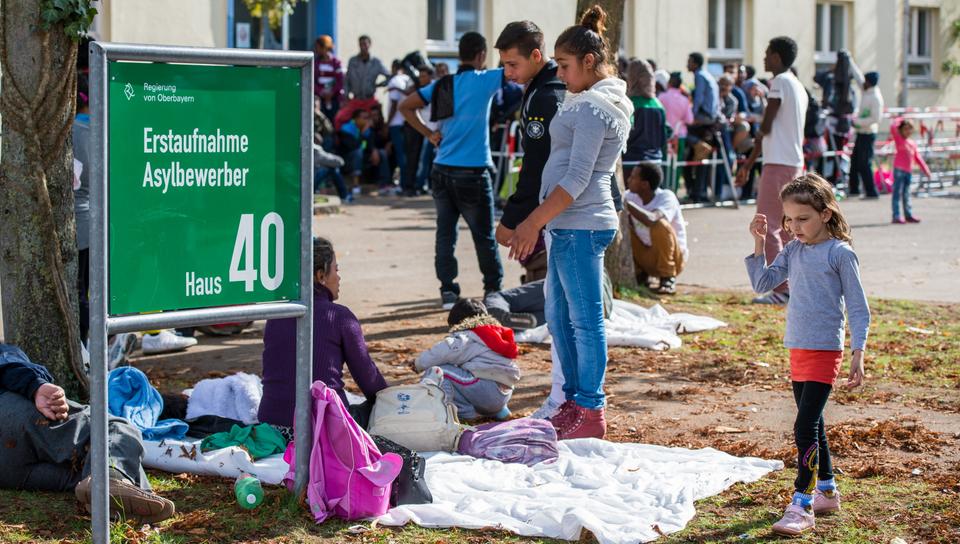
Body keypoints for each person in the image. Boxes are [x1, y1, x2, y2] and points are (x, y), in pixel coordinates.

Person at [507, 5, 633, 440]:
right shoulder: (584, 100)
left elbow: (578, 178)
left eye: (564, 65)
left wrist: (531, 223)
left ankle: (591, 409)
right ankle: (574, 402)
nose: (559, 74)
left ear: (589, 61)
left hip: (582, 223)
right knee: (559, 318)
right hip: (566, 224)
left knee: (584, 320)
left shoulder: (597, 106)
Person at [744, 174, 869, 537]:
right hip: (797, 346)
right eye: (788, 219)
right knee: (814, 424)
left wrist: (858, 352)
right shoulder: (793, 250)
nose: (794, 227)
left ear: (825, 214)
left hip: (825, 349)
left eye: (803, 218)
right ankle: (827, 491)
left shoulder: (840, 253)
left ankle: (802, 503)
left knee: (803, 426)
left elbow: (858, 307)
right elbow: (762, 284)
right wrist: (759, 242)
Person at [0, 344, 175, 523]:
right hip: (11, 420)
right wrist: (36, 384)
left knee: (88, 475)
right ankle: (119, 484)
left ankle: (128, 496)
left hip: (8, 473)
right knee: (114, 429)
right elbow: (7, 360)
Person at [399, 32, 505, 309]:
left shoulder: (442, 84)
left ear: (460, 54)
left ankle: (448, 291)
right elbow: (519, 72)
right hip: (473, 172)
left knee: (446, 234)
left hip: (442, 169)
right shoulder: (486, 79)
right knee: (484, 236)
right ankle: (493, 289)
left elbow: (405, 106)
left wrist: (429, 134)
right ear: (481, 55)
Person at [258, 237, 388, 438]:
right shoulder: (340, 317)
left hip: (272, 427)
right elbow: (371, 384)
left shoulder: (277, 314)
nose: (339, 277)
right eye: (336, 269)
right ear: (320, 276)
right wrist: (393, 399)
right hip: (323, 430)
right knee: (378, 407)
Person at [493, 20, 568, 284]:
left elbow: (538, 165)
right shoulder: (546, 85)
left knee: (560, 289)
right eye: (504, 65)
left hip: (562, 207)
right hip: (561, 203)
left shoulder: (546, 96)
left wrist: (513, 218)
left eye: (513, 65)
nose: (507, 73)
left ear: (536, 56)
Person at [735, 36, 808, 305]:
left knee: (768, 226)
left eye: (767, 53)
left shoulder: (778, 82)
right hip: (794, 163)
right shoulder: (798, 85)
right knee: (790, 228)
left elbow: (766, 127)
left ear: (776, 57)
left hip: (777, 163)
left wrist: (748, 162)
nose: (764, 58)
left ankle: (780, 289)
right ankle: (794, 285)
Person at [414, 299, 520, 421]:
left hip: (486, 390)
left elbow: (442, 352)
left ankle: (460, 413)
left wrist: (418, 363)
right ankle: (500, 411)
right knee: (466, 374)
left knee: (439, 372)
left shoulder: (468, 335)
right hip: (503, 394)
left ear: (458, 322)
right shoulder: (494, 334)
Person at [625, 163, 688, 294]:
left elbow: (652, 219)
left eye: (633, 177)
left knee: (660, 225)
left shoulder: (666, 197)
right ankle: (640, 273)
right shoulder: (630, 196)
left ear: (644, 184)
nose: (628, 180)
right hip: (647, 257)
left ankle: (667, 278)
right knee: (623, 228)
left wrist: (627, 205)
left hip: (673, 259)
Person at [623, 59, 669, 165]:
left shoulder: (628, 103)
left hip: (630, 162)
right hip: (655, 162)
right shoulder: (658, 104)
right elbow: (665, 135)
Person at [848, 64, 883, 198]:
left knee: (864, 164)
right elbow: (858, 77)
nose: (863, 83)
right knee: (854, 162)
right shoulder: (866, 91)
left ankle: (871, 192)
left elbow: (876, 119)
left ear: (870, 83)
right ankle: (854, 189)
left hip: (868, 134)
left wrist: (857, 122)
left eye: (865, 81)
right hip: (861, 133)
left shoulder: (875, 97)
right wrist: (850, 60)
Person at [889, 118, 932, 224]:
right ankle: (896, 215)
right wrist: (901, 119)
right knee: (897, 193)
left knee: (906, 193)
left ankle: (908, 215)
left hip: (908, 171)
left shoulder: (912, 143)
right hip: (899, 170)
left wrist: (926, 169)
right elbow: (893, 127)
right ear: (901, 130)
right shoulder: (899, 139)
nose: (907, 131)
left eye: (909, 129)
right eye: (905, 129)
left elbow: (917, 158)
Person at [387, 60, 414, 195]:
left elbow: (393, 105)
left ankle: (403, 184)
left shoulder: (394, 81)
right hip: (408, 123)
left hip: (396, 123)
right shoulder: (409, 80)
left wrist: (387, 123)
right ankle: (408, 183)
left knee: (400, 155)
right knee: (407, 154)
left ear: (394, 68)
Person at [414, 64, 438, 194]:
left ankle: (427, 185)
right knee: (425, 160)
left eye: (423, 76)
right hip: (428, 131)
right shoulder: (421, 91)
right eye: (420, 77)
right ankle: (423, 185)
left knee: (431, 160)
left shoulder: (436, 89)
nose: (421, 79)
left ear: (430, 77)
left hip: (437, 131)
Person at [344, 35, 390, 101]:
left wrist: (378, 85)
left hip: (370, 99)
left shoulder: (376, 62)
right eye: (361, 44)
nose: (363, 47)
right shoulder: (353, 61)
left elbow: (389, 77)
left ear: (369, 45)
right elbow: (346, 79)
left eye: (365, 44)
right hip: (356, 99)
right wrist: (346, 95)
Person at [314, 35, 344, 121]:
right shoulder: (315, 63)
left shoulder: (336, 63)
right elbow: (312, 81)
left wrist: (332, 92)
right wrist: (321, 92)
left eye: (318, 47)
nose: (316, 50)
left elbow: (340, 81)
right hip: (320, 98)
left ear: (325, 47)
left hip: (334, 98)